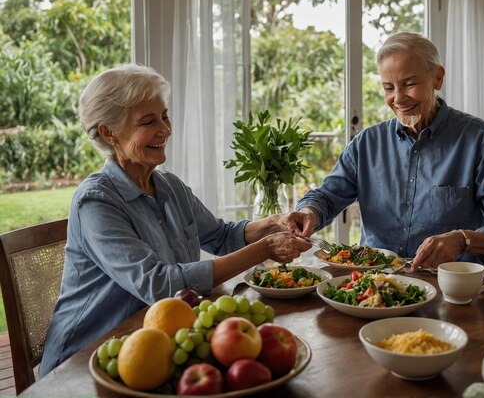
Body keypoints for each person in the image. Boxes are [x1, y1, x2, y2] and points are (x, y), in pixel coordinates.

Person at [40, 65, 311, 375]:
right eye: (148, 122)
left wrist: (269, 224)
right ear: (108, 132)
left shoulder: (169, 186)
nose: (166, 130)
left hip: (156, 345)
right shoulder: (96, 201)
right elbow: (158, 285)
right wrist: (264, 249)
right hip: (87, 360)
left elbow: (220, 236)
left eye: (164, 117)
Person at [283, 32, 484, 270]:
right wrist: (309, 213)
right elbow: (326, 197)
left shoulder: (479, 139)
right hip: (374, 287)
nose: (398, 98)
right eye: (388, 88)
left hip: (450, 291)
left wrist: (462, 239)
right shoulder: (367, 143)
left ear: (437, 78)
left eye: (409, 84)